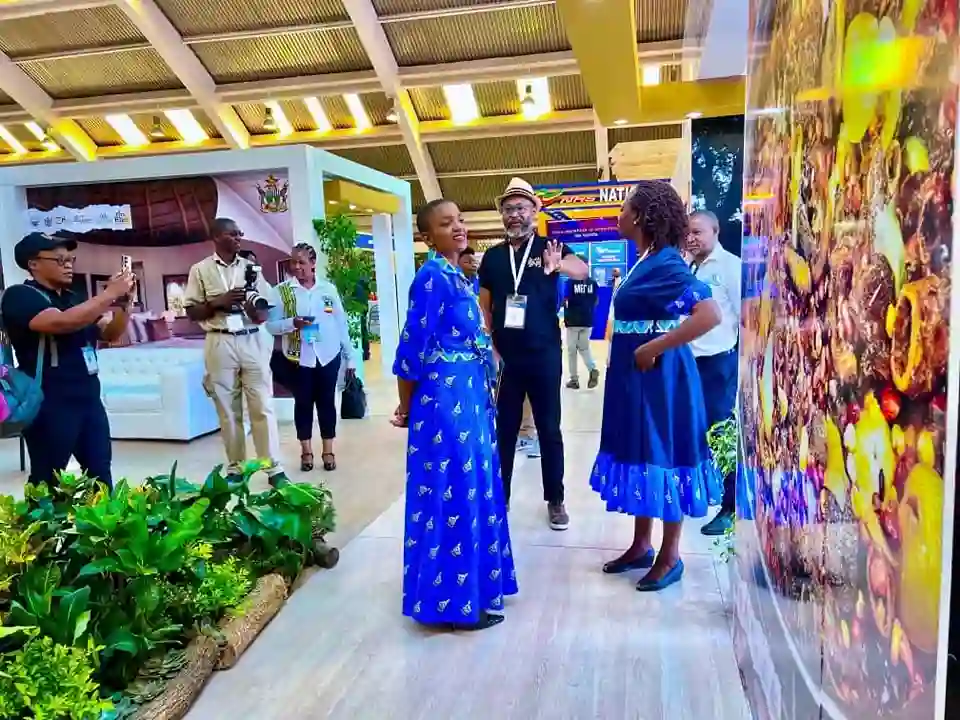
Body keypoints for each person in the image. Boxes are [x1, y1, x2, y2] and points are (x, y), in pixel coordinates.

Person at [391, 198, 516, 631]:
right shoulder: (431, 277)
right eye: (447, 224)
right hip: (445, 402)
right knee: (454, 493)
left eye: (460, 220)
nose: (459, 227)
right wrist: (406, 406)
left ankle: (472, 589)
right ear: (428, 237)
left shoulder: (457, 275)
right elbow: (410, 349)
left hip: (470, 398)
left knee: (472, 487)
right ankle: (452, 606)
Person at [591, 181, 722, 592]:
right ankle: (642, 544)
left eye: (624, 208)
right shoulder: (645, 258)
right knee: (643, 453)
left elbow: (709, 314)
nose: (619, 215)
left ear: (641, 216)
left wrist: (655, 346)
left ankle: (670, 556)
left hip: (662, 380)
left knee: (665, 453)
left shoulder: (666, 263)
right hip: (637, 379)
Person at [478, 177, 589, 530]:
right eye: (508, 209)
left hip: (544, 355)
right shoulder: (493, 257)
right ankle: (501, 496)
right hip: (507, 358)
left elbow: (582, 271)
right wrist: (491, 347)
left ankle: (555, 499)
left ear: (534, 211)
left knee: (549, 428)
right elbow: (485, 306)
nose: (514, 214)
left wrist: (559, 266)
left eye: (521, 208)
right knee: (505, 429)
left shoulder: (549, 247)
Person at [0, 232, 135, 487]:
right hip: (49, 403)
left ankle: (102, 515)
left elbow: (110, 333)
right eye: (60, 260)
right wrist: (108, 294)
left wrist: (124, 305)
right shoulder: (20, 296)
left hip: (89, 399)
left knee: (100, 474)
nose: (69, 265)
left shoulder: (74, 298)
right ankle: (39, 515)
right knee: (47, 480)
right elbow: (61, 322)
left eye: (71, 259)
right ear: (33, 264)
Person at [183, 218, 286, 484]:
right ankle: (236, 469)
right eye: (232, 234)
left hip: (252, 339)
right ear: (216, 237)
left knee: (262, 405)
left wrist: (254, 310)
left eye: (240, 233)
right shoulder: (200, 270)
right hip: (219, 340)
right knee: (228, 411)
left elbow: (265, 312)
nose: (238, 237)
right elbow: (192, 311)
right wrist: (218, 303)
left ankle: (273, 469)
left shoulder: (251, 268)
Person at [266, 243, 356, 472]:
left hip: (328, 355)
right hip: (299, 358)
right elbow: (270, 326)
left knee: (327, 403)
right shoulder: (282, 292)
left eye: (302, 262)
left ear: (313, 263)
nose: (296, 267)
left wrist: (350, 357)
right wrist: (292, 323)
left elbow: (340, 323)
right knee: (303, 404)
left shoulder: (328, 289)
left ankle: (328, 450)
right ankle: (306, 451)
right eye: (293, 262)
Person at [686, 210, 742, 536]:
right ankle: (711, 492)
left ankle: (731, 507)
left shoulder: (730, 267)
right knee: (696, 432)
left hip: (718, 364)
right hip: (690, 363)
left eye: (697, 232)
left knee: (720, 432)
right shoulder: (690, 268)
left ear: (715, 231)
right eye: (687, 233)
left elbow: (745, 317)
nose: (691, 238)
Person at [563, 262, 600, 389]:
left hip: (573, 321)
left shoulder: (570, 282)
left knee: (572, 351)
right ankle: (592, 369)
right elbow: (596, 301)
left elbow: (565, 300)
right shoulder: (593, 283)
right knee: (584, 348)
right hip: (588, 320)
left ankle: (574, 380)